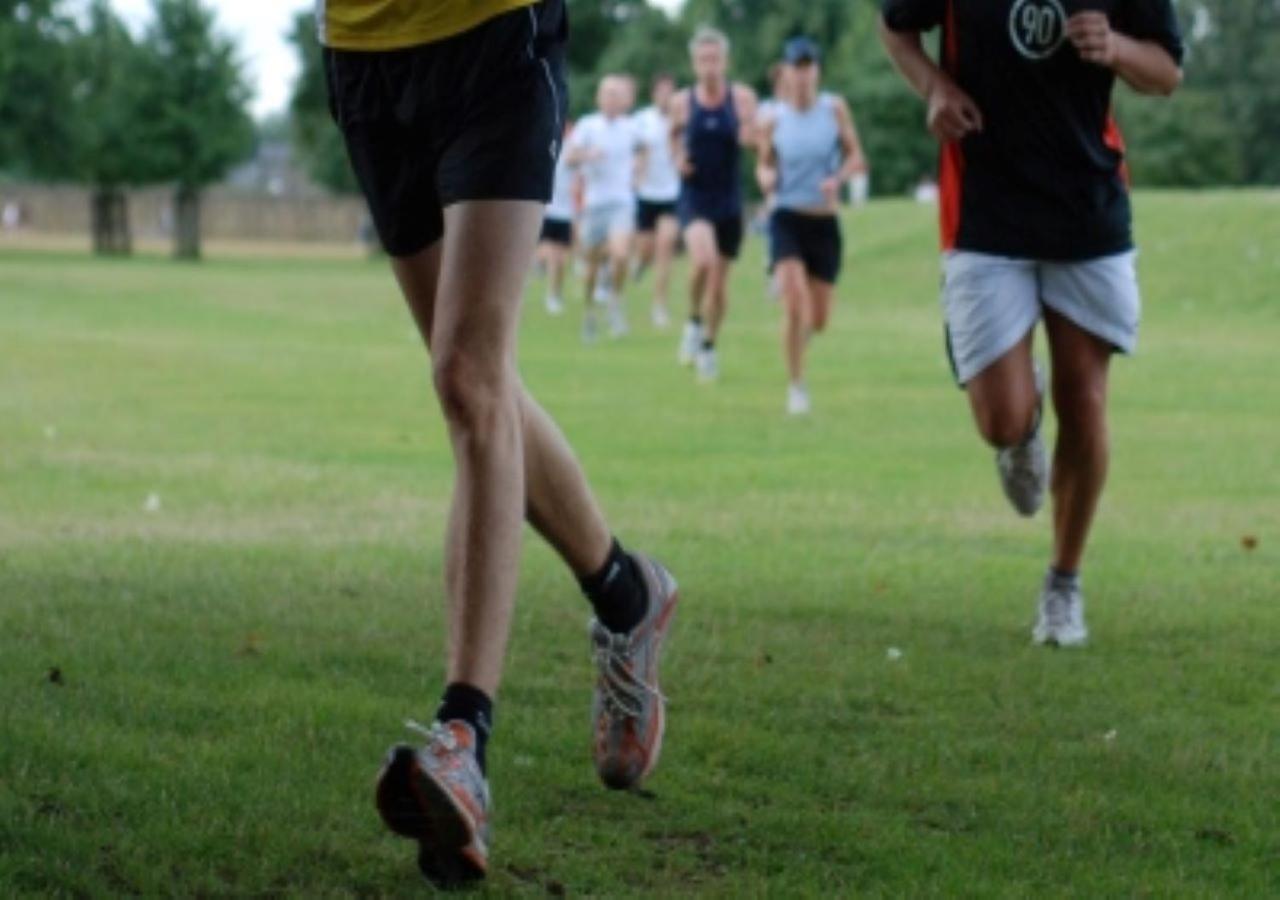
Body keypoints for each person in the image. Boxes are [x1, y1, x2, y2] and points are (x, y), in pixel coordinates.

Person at [318, 1, 679, 885]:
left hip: (492, 36)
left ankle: (462, 737)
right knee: (478, 387)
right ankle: (628, 596)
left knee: (467, 377)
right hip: (364, 54)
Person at [879, 0, 1183, 645]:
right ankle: (1022, 425)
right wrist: (935, 87)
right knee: (1001, 420)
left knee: (1087, 398)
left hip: (1085, 208)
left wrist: (1117, 49)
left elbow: (1165, 71)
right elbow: (896, 24)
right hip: (985, 210)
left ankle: (1063, 584)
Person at [756, 37, 867, 416]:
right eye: (795, 67)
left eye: (808, 67)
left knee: (818, 320)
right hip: (787, 216)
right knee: (794, 302)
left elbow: (857, 158)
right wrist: (766, 177)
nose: (802, 75)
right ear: (785, 72)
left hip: (824, 221)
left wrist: (838, 178)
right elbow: (764, 164)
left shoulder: (834, 110)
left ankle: (800, 342)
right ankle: (796, 387)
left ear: (816, 71)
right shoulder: (774, 119)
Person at [670, 26, 758, 382]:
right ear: (694, 63)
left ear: (725, 61)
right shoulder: (682, 101)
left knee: (720, 285)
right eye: (703, 59)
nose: (710, 66)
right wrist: (677, 158)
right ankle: (693, 320)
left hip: (729, 199)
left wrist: (754, 139)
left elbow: (754, 137)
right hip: (695, 196)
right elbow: (672, 138)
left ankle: (708, 345)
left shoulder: (741, 98)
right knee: (702, 262)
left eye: (715, 59)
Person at [565, 75, 640, 342]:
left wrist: (638, 175)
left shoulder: (631, 127)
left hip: (621, 201)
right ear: (599, 97)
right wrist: (588, 155)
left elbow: (646, 150)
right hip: (594, 204)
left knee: (620, 255)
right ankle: (589, 313)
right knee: (592, 266)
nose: (611, 98)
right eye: (607, 93)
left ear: (623, 100)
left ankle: (615, 303)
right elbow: (569, 157)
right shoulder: (587, 125)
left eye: (616, 94)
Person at [631, 73, 681, 329]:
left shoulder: (681, 120)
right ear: (654, 95)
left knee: (666, 247)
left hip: (672, 193)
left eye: (670, 91)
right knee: (647, 250)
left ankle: (659, 306)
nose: (666, 96)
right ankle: (640, 262)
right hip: (646, 194)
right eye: (662, 91)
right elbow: (637, 152)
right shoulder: (642, 120)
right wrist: (637, 175)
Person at [539, 119, 578, 316]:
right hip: (547, 209)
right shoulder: (544, 145)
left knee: (562, 260)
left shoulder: (573, 148)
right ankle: (551, 296)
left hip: (566, 211)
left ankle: (555, 292)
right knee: (552, 256)